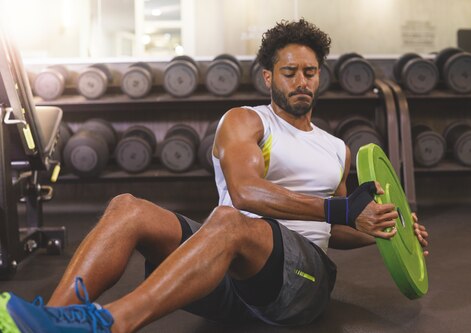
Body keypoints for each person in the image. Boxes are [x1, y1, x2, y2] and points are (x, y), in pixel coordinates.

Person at [0, 19, 429, 333]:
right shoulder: (244, 122)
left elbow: (335, 228)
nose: (301, 80)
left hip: (302, 285)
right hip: (225, 271)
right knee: (127, 208)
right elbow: (243, 193)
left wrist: (385, 229)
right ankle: (49, 321)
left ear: (320, 77)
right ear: (269, 77)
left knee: (227, 224)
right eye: (290, 71)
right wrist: (343, 207)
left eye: (310, 72)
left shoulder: (338, 148)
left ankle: (111, 324)